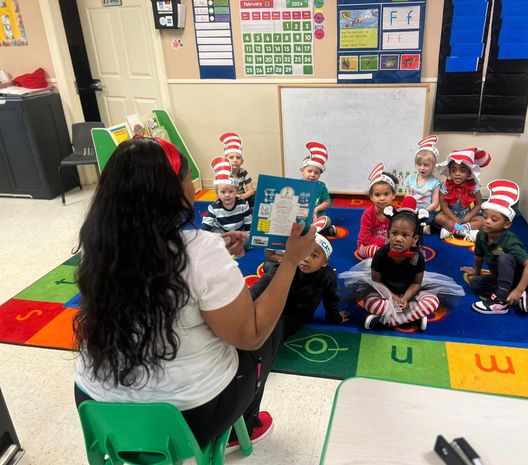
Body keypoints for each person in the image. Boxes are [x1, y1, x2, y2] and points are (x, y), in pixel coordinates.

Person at [73, 137, 317, 451]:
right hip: (187, 418)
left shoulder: (96, 244)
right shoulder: (200, 251)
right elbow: (252, 334)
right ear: (176, 190)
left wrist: (216, 253)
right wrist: (291, 262)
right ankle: (239, 429)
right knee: (269, 328)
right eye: (189, 177)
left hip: (97, 410)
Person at [340, 197, 464, 331]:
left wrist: (405, 297)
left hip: (408, 293)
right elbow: (376, 281)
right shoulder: (381, 254)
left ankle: (384, 322)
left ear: (414, 240)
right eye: (394, 233)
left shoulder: (418, 257)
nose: (398, 238)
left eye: (405, 235)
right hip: (384, 293)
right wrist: (392, 297)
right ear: (388, 235)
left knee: (432, 302)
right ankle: (413, 317)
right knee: (370, 303)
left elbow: (416, 283)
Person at [252, 226, 350, 340]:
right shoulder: (290, 265)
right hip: (275, 306)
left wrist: (335, 318)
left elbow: (331, 301)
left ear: (324, 262)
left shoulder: (328, 277)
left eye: (314, 255)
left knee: (268, 336)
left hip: (295, 318)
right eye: (304, 253)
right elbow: (261, 286)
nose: (306, 259)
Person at [461, 180, 528, 315]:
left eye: (494, 219)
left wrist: (519, 288)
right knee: (475, 284)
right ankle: (512, 295)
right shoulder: (481, 235)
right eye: (485, 217)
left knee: (504, 258)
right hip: (501, 277)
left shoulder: (510, 240)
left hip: (521, 276)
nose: (487, 221)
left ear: (506, 224)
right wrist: (477, 272)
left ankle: (501, 301)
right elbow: (479, 256)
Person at [434, 148, 491, 242]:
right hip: (450, 216)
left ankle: (453, 229)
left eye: (462, 171)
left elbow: (478, 204)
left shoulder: (473, 186)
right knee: (438, 217)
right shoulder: (445, 186)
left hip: (467, 217)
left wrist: (467, 218)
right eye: (453, 170)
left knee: (483, 221)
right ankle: (464, 230)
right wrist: (454, 218)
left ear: (469, 172)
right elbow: (443, 205)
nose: (457, 174)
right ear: (449, 172)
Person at [357, 163, 398, 259]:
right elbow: (364, 238)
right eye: (377, 195)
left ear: (393, 195)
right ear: (371, 197)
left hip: (389, 244)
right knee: (373, 250)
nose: (382, 198)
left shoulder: (395, 213)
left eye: (386, 194)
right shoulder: (367, 214)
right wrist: (384, 243)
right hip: (368, 245)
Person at [201, 156, 252, 233]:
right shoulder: (213, 208)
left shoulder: (244, 205)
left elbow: (249, 224)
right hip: (220, 232)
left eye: (231, 191)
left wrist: (247, 237)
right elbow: (205, 227)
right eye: (223, 192)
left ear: (237, 192)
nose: (227, 195)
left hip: (237, 232)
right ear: (217, 193)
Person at [404, 136, 441, 234]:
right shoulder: (410, 178)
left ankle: (418, 227)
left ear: (433, 165)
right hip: (411, 209)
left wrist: (423, 211)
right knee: (400, 215)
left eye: (426, 165)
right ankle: (418, 227)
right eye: (419, 164)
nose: (422, 168)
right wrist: (410, 209)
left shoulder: (435, 182)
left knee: (429, 219)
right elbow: (407, 197)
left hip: (426, 212)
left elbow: (435, 203)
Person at [300, 141, 336, 235]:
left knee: (327, 220)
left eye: (316, 173)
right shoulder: (298, 185)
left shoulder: (321, 187)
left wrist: (316, 210)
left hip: (317, 217)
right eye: (309, 171)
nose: (313, 175)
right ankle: (314, 231)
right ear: (302, 171)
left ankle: (323, 229)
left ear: (320, 174)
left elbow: (327, 201)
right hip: (301, 216)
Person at [220, 132, 255, 208]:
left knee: (255, 197)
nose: (235, 160)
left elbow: (251, 190)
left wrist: (244, 196)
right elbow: (220, 192)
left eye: (238, 157)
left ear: (242, 161)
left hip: (242, 197)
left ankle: (249, 211)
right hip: (228, 197)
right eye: (231, 157)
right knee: (219, 203)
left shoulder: (243, 172)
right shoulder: (223, 173)